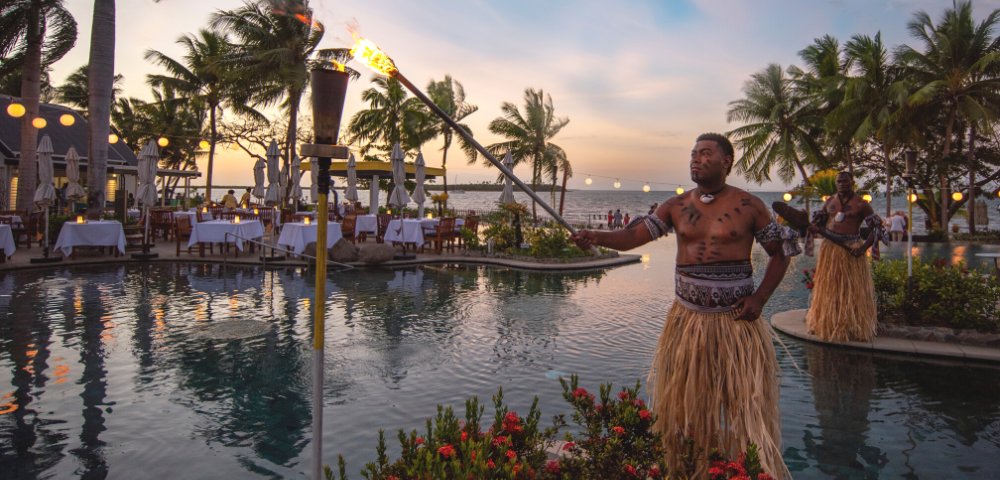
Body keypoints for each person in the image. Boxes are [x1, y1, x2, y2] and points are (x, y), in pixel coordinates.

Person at [571, 133, 798, 479]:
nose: (696, 159)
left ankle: (748, 469)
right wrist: (596, 237)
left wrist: (760, 299)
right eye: (693, 154)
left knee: (743, 407)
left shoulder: (750, 205)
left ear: (726, 161)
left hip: (736, 326)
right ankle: (692, 468)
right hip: (688, 324)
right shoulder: (675, 206)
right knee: (691, 407)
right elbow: (634, 237)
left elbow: (780, 255)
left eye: (705, 153)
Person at [805, 171, 886, 344]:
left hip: (852, 249)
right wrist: (814, 228)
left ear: (852, 182)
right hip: (830, 250)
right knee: (829, 288)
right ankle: (825, 324)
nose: (842, 184)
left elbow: (877, 229)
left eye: (845, 181)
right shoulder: (830, 201)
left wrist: (863, 248)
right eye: (839, 181)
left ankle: (853, 326)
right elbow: (819, 223)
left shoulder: (861, 204)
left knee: (851, 290)